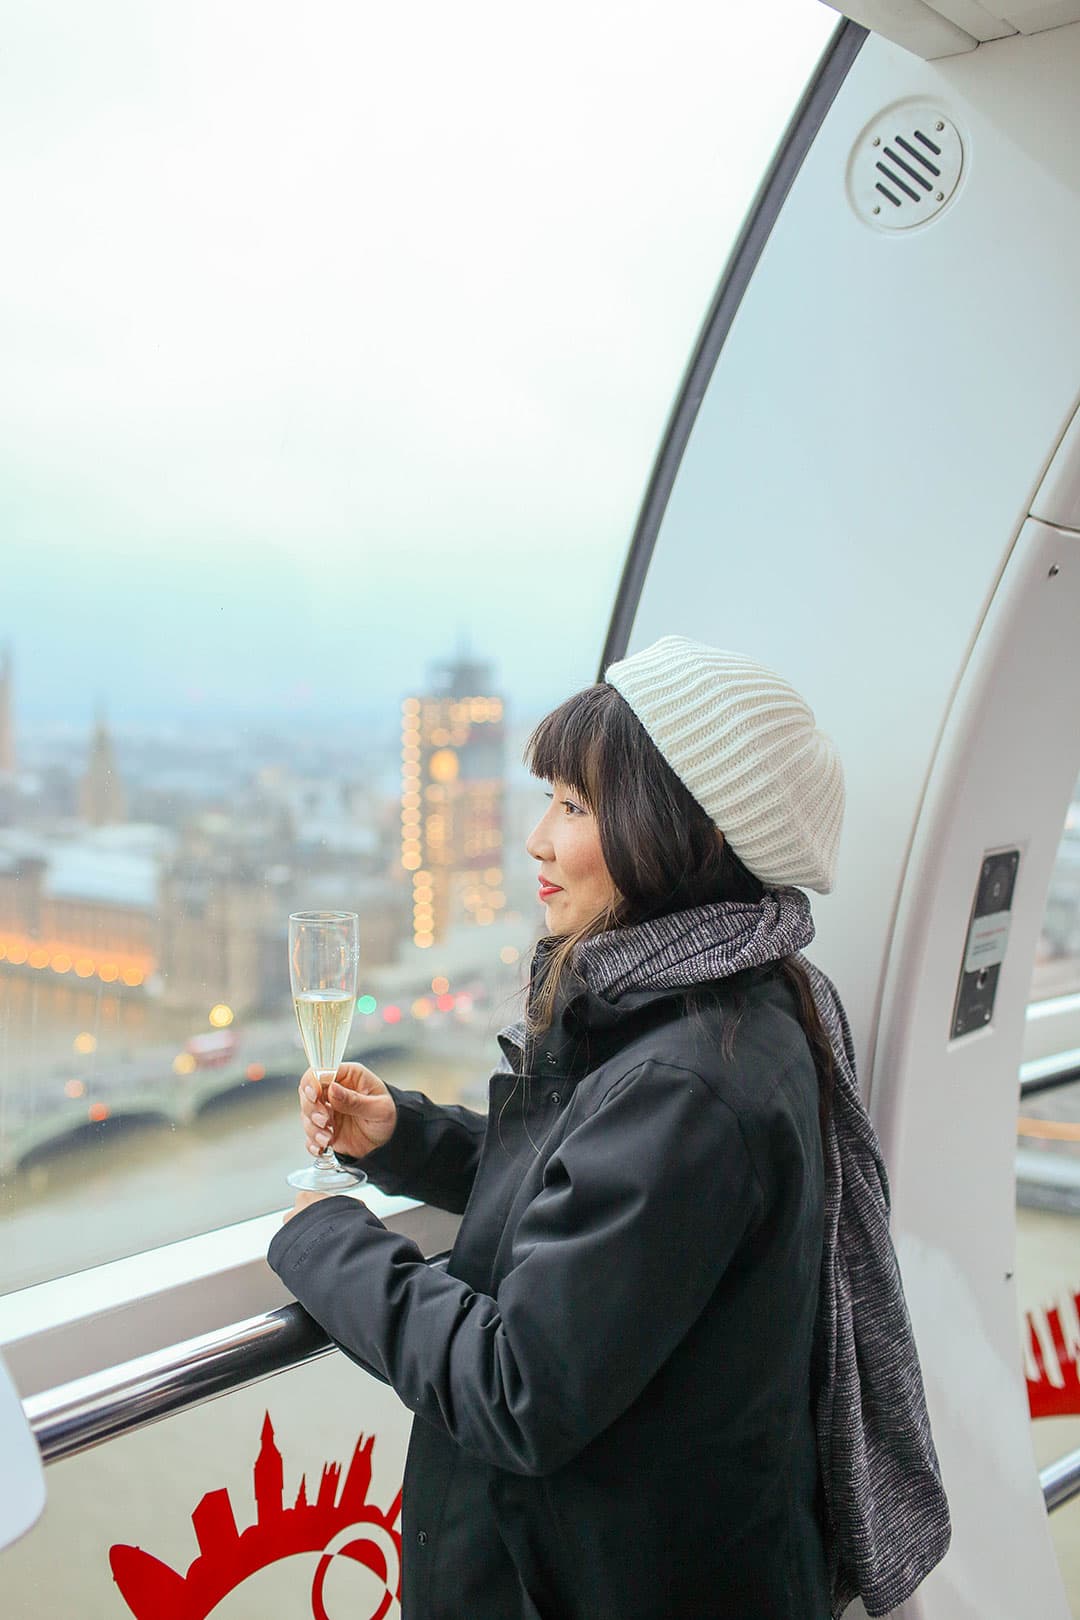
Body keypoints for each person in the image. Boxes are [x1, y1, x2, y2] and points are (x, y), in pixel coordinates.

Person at [268, 635, 950, 1619]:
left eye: (576, 806)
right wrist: (405, 1141)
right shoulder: (725, 1005)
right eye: (549, 798)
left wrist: (325, 1238)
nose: (538, 839)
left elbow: (518, 1385)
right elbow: (599, 1196)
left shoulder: (695, 1079)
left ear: (684, 832)